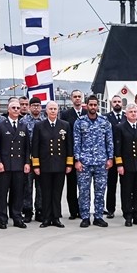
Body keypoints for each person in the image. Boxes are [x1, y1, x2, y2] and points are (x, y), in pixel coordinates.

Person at [73, 95, 113, 228]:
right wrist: (77, 160)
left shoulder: (104, 121)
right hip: (84, 162)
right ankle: (85, 217)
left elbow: (109, 141)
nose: (93, 107)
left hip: (101, 162)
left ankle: (98, 216)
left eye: (95, 105)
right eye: (91, 105)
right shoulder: (80, 122)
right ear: (86, 105)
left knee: (100, 191)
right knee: (84, 191)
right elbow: (76, 142)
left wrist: (110, 158)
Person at [31, 100, 72, 228]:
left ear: (58, 110)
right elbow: (35, 147)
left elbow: (69, 146)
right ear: (46, 111)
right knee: (46, 192)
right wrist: (36, 166)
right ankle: (46, 218)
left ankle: (56, 217)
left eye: (55, 109)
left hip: (60, 165)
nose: (53, 111)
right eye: (51, 109)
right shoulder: (39, 126)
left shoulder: (65, 125)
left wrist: (69, 163)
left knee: (57, 193)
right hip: (45, 165)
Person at [0, 98, 31, 229]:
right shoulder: (1, 125)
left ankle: (17, 217)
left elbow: (27, 148)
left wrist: (27, 163)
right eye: (13, 108)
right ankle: (2, 218)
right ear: (8, 110)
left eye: (18, 108)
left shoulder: (23, 126)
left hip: (19, 166)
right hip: (4, 165)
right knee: (2, 193)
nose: (16, 110)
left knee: (18, 193)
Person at [114, 103, 137, 227]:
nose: (134, 114)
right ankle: (128, 215)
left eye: (135, 112)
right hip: (127, 165)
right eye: (131, 112)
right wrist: (119, 164)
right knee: (126, 191)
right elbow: (117, 148)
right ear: (126, 114)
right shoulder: (120, 127)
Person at [60, 90, 87, 219]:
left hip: (86, 155)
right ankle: (73, 211)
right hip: (70, 153)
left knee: (84, 186)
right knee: (71, 185)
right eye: (75, 97)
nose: (77, 99)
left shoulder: (88, 113)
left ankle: (83, 210)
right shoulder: (65, 114)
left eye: (79, 96)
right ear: (71, 99)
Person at [20, 97, 43, 222]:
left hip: (42, 160)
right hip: (28, 160)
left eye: (38, 105)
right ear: (29, 107)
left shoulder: (44, 120)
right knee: (27, 187)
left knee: (40, 187)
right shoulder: (23, 122)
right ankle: (27, 211)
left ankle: (40, 210)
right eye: (33, 105)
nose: (35, 107)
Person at [104, 94, 125, 218]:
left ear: (122, 103)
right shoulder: (106, 118)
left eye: (119, 101)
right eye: (115, 101)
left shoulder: (126, 116)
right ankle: (110, 209)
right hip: (111, 155)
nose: (117, 103)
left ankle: (125, 208)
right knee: (111, 184)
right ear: (111, 103)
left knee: (125, 185)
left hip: (123, 156)